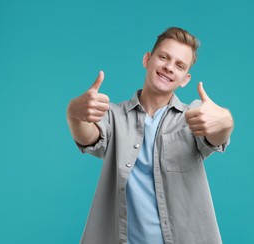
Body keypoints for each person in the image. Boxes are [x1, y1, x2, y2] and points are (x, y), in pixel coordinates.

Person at [67, 27, 234, 244]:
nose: (169, 67)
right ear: (147, 59)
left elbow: (216, 136)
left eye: (179, 65)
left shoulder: (192, 115)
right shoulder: (114, 116)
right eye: (164, 57)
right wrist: (74, 115)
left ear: (185, 79)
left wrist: (225, 122)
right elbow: (88, 136)